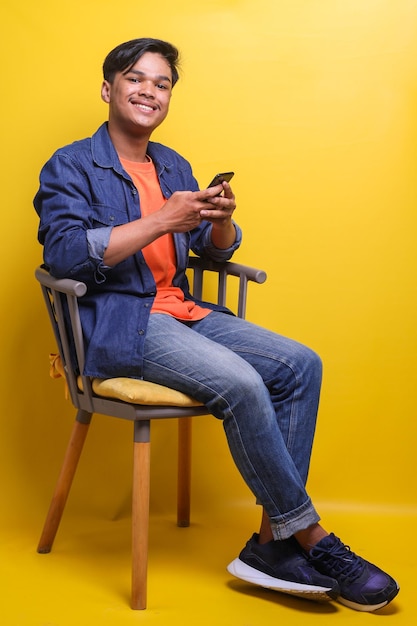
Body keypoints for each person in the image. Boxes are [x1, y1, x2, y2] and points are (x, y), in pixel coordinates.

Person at [34, 37, 399, 612]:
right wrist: (160, 219)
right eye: (134, 79)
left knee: (301, 364)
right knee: (242, 382)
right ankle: (309, 537)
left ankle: (269, 545)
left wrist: (223, 222)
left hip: (182, 309)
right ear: (108, 89)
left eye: (161, 83)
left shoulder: (172, 164)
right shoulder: (71, 164)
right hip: (120, 322)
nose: (148, 91)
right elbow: (64, 256)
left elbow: (213, 249)